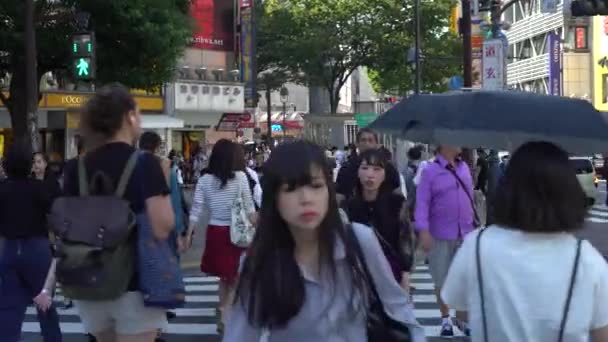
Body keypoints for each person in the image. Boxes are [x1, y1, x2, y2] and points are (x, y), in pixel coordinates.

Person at [223, 140, 425, 341]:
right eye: (291, 189)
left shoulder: (359, 241)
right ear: (273, 198)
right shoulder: (259, 264)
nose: (306, 198)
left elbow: (398, 308)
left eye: (316, 186)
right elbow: (240, 335)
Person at [442, 141, 608, 342]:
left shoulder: (476, 246)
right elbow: (601, 335)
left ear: (508, 189)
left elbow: (462, 311)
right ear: (568, 194)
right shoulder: (586, 260)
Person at [63, 83, 175, 342]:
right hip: (134, 283)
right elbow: (162, 225)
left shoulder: (74, 168)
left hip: (87, 281)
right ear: (129, 117)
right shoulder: (146, 164)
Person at [184, 139, 256, 334]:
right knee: (236, 278)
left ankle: (223, 311)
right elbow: (250, 209)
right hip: (236, 234)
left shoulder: (204, 180)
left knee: (224, 278)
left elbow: (196, 209)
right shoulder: (240, 177)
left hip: (215, 232)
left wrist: (188, 234)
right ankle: (226, 315)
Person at [0, 140, 62, 342]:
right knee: (45, 304)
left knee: (8, 308)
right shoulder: (38, 188)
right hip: (37, 248)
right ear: (29, 165)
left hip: (8, 248)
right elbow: (54, 215)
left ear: (6, 166)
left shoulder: (2, 189)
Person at [415, 144, 474, 337]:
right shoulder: (430, 171)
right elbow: (422, 202)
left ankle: (463, 320)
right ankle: (445, 319)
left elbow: (470, 197)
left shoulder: (464, 167)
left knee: (465, 279)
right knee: (441, 279)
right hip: (439, 234)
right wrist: (423, 230)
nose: (460, 144)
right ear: (444, 145)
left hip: (464, 232)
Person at [344, 149, 414, 291]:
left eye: (377, 169)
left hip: (390, 270)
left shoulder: (397, 203)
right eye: (365, 168)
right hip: (358, 273)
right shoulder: (348, 205)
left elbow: (405, 237)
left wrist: (405, 272)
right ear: (357, 172)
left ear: (385, 174)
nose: (370, 175)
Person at [335, 128, 403, 203]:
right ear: (357, 144)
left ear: (376, 144)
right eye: (363, 140)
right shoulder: (347, 168)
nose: (367, 143)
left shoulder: (388, 167)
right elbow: (340, 195)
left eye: (370, 140)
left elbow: (397, 192)